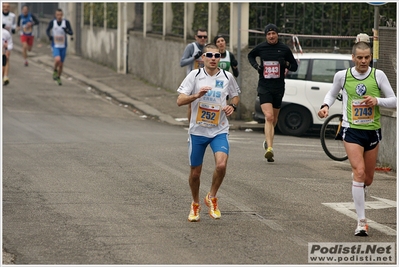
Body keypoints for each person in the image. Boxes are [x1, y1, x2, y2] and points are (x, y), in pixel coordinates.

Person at [318, 41, 397, 236]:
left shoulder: (378, 75)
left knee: (368, 179)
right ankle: (362, 222)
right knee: (359, 172)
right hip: (351, 129)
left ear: (370, 58)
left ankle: (360, 185)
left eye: (367, 57)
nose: (363, 61)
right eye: (359, 57)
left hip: (372, 131)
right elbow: (331, 93)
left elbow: (394, 100)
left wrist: (377, 100)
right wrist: (325, 106)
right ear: (353, 58)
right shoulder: (342, 76)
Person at [177, 44, 240, 222]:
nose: (213, 58)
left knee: (221, 165)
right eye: (210, 55)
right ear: (202, 58)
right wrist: (196, 96)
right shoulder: (194, 76)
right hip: (198, 131)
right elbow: (179, 100)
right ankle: (195, 203)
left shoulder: (227, 76)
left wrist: (232, 106)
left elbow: (235, 95)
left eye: (217, 55)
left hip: (219, 129)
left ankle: (212, 197)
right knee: (195, 173)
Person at [247, 23, 298, 162]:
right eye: (268, 34)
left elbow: (294, 66)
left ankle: (267, 140)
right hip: (264, 87)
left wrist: (286, 64)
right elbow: (250, 56)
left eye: (273, 33)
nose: (271, 36)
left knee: (274, 119)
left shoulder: (284, 49)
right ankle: (270, 148)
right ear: (266, 36)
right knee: (268, 117)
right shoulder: (261, 48)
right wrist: (257, 66)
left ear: (277, 34)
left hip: (278, 87)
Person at [180, 28, 208, 121]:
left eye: (205, 37)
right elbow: (182, 62)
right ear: (196, 37)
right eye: (200, 36)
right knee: (191, 105)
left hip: (205, 79)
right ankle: (191, 125)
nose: (202, 38)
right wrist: (194, 57)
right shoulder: (191, 47)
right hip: (193, 80)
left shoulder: (208, 48)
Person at [46, 8, 74, 86]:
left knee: (61, 64)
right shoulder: (53, 22)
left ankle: (58, 77)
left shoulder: (66, 22)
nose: (59, 16)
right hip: (55, 45)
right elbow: (47, 30)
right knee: (57, 59)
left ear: (62, 15)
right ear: (55, 15)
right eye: (57, 15)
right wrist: (49, 36)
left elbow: (71, 32)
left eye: (60, 15)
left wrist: (67, 31)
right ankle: (55, 70)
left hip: (63, 46)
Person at [2, 2, 16, 85]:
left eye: (7, 6)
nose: (6, 8)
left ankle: (6, 76)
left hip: (7, 39)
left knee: (6, 57)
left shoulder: (12, 16)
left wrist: (13, 28)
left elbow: (14, 24)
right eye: (4, 6)